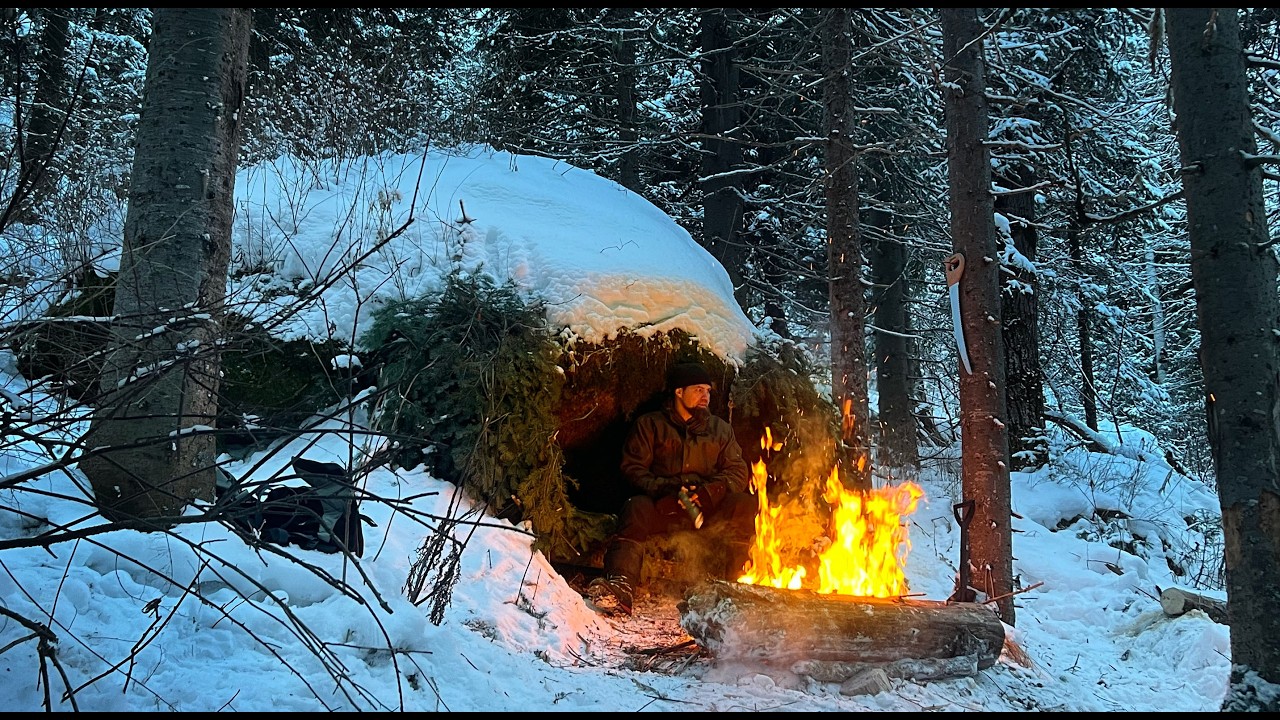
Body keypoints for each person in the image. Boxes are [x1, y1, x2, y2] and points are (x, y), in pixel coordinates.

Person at [591, 361, 755, 615]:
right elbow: (632, 468)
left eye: (708, 391)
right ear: (679, 392)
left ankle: (736, 588)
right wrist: (665, 490)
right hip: (664, 508)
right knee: (636, 507)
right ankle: (620, 586)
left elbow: (737, 471)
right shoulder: (650, 425)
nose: (706, 396)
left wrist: (710, 493)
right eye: (698, 389)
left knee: (743, 505)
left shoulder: (720, 430)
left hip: (707, 511)